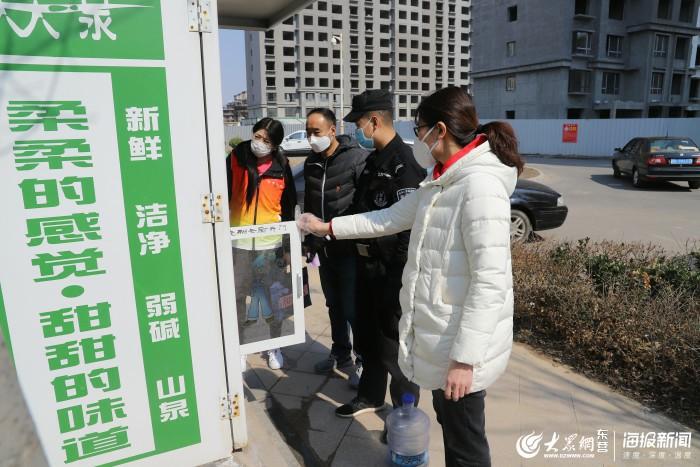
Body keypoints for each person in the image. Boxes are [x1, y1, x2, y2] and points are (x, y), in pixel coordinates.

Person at [298, 87, 523, 467]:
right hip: (442, 338)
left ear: (439, 130)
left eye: (418, 129)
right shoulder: (443, 180)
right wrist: (327, 228)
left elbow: (490, 282)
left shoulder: (479, 187)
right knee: (453, 431)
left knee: (466, 446)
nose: (416, 138)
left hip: (462, 350)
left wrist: (465, 360)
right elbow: (388, 218)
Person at [334, 90, 425, 427]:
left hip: (391, 271)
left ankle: (404, 414)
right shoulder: (374, 160)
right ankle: (370, 396)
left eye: (358, 123)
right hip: (366, 267)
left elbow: (409, 229)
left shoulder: (404, 163)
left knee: (393, 345)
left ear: (374, 121)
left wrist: (396, 276)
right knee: (368, 338)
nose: (356, 130)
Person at [303, 108, 368, 387]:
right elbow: (309, 205)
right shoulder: (311, 162)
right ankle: (340, 353)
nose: (311, 138)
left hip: (349, 249)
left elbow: (365, 205)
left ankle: (363, 360)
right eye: (308, 132)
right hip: (323, 249)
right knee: (334, 305)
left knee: (353, 308)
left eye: (316, 132)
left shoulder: (356, 159)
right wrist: (310, 241)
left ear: (332, 130)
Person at [226, 117, 297, 370]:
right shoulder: (236, 158)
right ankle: (240, 346)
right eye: (257, 136)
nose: (260, 143)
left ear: (275, 145)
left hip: (270, 246)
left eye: (266, 140)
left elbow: (288, 208)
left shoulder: (282, 165)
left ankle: (273, 344)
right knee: (237, 297)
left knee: (274, 296)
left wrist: (287, 248)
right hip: (239, 244)